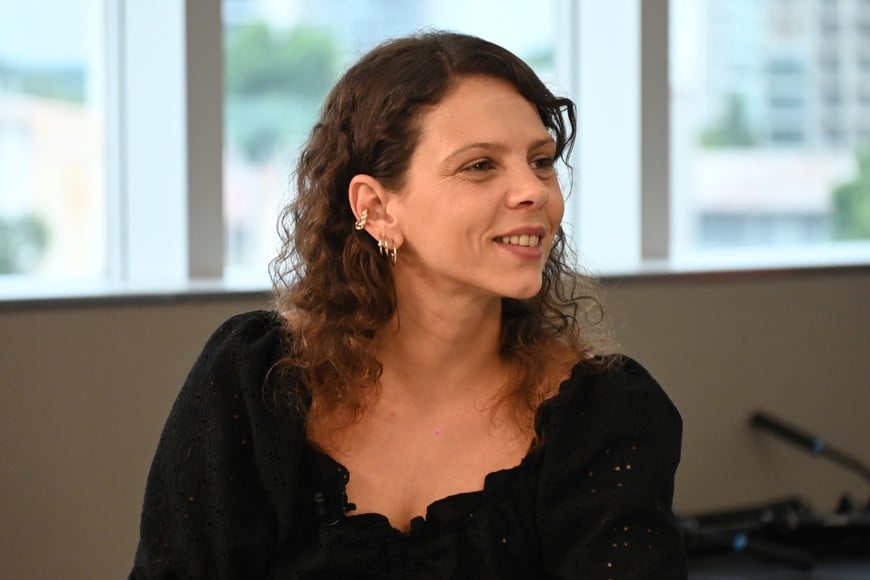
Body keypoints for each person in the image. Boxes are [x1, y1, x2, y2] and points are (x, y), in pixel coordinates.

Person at [129, 31, 686, 579]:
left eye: (541, 161)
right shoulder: (256, 377)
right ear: (376, 207)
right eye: (480, 166)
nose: (535, 191)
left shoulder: (605, 413)